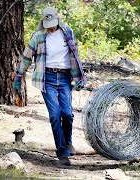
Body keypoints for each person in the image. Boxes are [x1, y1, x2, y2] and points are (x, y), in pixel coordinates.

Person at [12, 7, 86, 166]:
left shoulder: (68, 32)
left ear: (58, 20)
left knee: (67, 114)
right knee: (54, 115)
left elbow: (75, 55)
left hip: (65, 77)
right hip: (47, 78)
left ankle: (68, 142)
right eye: (47, 24)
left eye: (52, 24)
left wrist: (79, 77)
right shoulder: (38, 36)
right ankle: (62, 152)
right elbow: (26, 58)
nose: (50, 27)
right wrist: (19, 77)